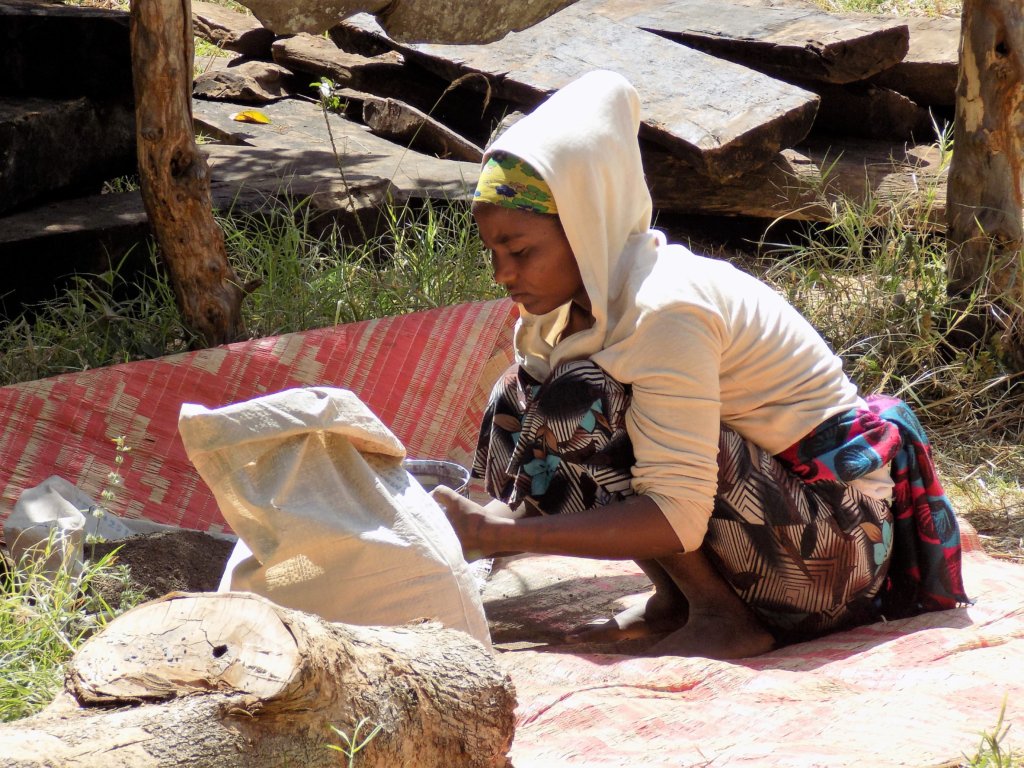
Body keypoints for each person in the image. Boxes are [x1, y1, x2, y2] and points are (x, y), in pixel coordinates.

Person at [431, 69, 968, 660]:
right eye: (494, 253)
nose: (503, 274)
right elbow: (537, 453)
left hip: (833, 556)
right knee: (526, 395)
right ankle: (681, 598)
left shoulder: (667, 308)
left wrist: (502, 534)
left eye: (521, 251)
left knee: (582, 401)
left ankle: (722, 616)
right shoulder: (576, 312)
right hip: (775, 529)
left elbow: (677, 513)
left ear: (586, 228)